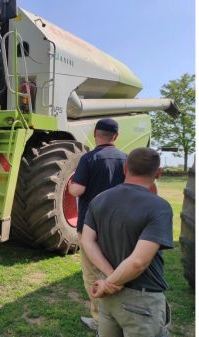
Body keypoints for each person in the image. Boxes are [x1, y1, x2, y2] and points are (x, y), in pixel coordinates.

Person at [80, 147, 173, 337]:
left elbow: (87, 241)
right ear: (159, 173)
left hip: (109, 298)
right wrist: (112, 282)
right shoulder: (159, 207)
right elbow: (138, 262)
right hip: (142, 299)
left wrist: (109, 279)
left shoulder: (99, 199)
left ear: (124, 168)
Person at [68, 118, 127, 331]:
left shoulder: (89, 158)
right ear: (116, 136)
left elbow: (77, 191)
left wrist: (71, 185)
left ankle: (100, 320)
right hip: (119, 227)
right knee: (118, 269)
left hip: (90, 227)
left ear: (95, 134)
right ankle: (120, 317)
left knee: (93, 273)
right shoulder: (126, 159)